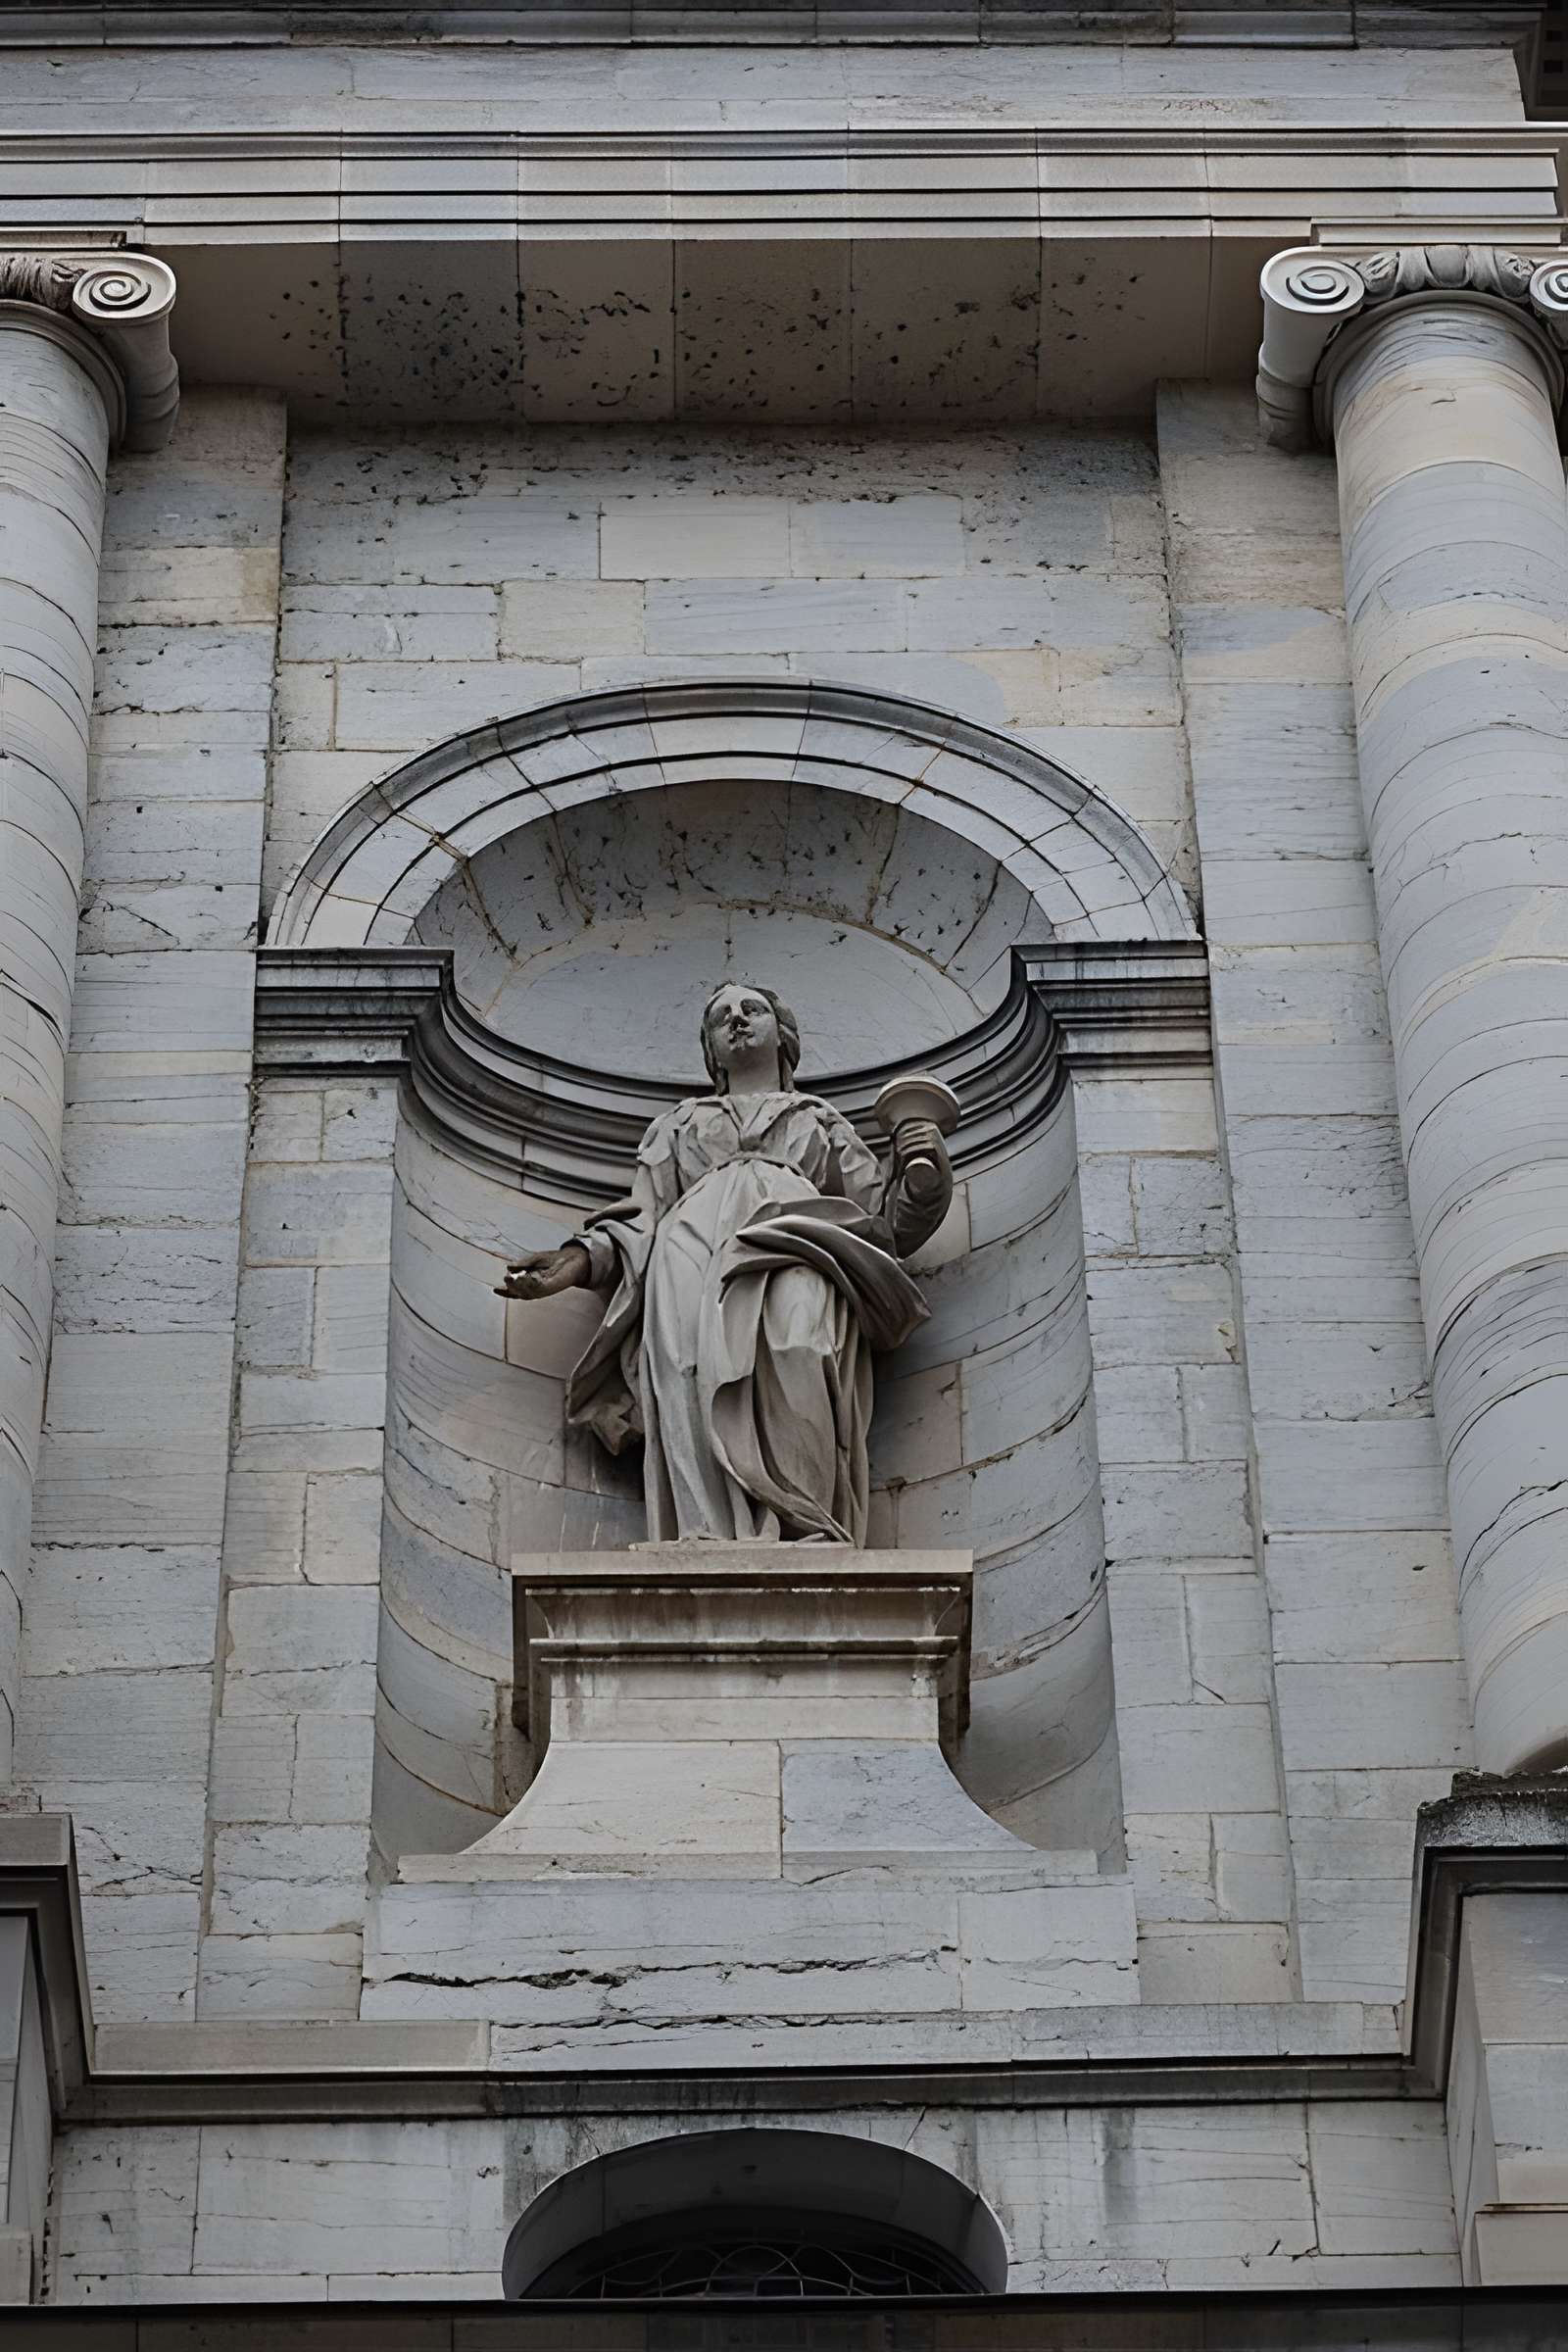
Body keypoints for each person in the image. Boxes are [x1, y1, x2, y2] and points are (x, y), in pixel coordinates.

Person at [497, 982, 955, 1544]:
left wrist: (923, 1169)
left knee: (800, 1347)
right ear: (711, 1049)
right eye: (722, 1018)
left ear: (782, 1035)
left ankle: (802, 1523)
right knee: (687, 1370)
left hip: (800, 1238)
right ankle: (705, 1530)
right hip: (688, 1248)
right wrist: (575, 1261)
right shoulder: (680, 1124)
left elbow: (885, 1227)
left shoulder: (819, 1119)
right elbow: (641, 1216)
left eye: (752, 1010)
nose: (737, 1020)